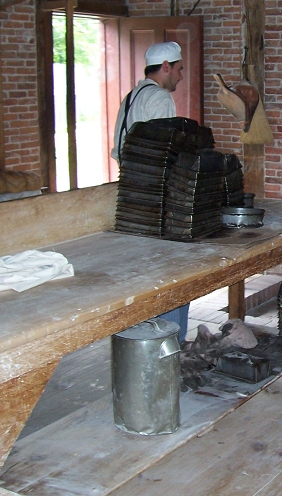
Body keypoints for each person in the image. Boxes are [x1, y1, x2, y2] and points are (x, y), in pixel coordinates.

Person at [111, 41, 189, 342]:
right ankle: (171, 342)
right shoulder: (159, 98)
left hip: (132, 194)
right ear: (166, 67)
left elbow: (120, 150)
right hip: (156, 197)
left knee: (147, 273)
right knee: (173, 274)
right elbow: (164, 153)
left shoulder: (132, 96)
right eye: (179, 69)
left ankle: (148, 339)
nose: (180, 75)